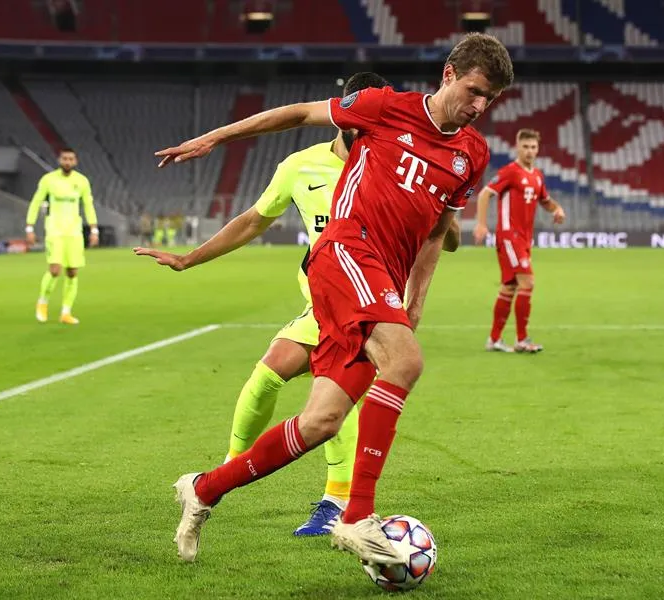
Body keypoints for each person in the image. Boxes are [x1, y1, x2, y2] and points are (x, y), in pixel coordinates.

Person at [138, 33, 513, 564]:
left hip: (384, 278)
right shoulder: (385, 107)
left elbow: (437, 232)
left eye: (490, 100)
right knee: (404, 361)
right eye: (474, 90)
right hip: (345, 251)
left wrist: (417, 300)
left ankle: (203, 489)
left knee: (322, 423)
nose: (478, 107)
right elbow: (296, 114)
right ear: (449, 74)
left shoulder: (472, 154)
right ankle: (358, 517)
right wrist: (214, 139)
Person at [137, 73, 419, 537]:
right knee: (266, 379)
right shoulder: (299, 167)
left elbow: (437, 231)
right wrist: (189, 259)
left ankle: (335, 501)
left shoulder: (391, 169)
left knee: (332, 401)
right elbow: (252, 221)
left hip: (367, 305)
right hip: (324, 302)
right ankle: (227, 473)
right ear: (348, 119)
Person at [472, 129, 565, 353]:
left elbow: (545, 200)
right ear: (517, 147)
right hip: (509, 236)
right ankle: (522, 339)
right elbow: (485, 193)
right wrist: (481, 224)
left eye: (533, 147)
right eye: (525, 147)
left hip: (524, 239)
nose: (529, 151)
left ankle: (494, 340)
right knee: (527, 282)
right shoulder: (510, 172)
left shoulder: (537, 175)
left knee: (510, 286)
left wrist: (557, 209)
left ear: (538, 149)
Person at [26, 148, 99, 325]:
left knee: (73, 272)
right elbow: (36, 202)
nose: (67, 161)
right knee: (55, 269)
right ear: (59, 160)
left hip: (74, 231)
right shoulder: (49, 180)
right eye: (64, 158)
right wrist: (29, 226)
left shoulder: (81, 181)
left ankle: (66, 312)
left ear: (75, 161)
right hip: (54, 230)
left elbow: (88, 205)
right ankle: (42, 302)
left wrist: (94, 229)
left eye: (70, 159)